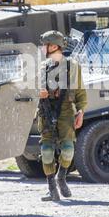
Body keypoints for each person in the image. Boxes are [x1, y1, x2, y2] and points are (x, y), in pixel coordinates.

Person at [38, 30, 87, 202]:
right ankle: (51, 186)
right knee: (46, 150)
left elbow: (80, 91)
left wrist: (81, 111)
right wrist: (39, 93)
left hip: (66, 111)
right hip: (45, 110)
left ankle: (61, 177)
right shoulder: (42, 67)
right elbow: (29, 91)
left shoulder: (72, 66)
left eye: (45, 44)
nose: (43, 48)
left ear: (54, 46)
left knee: (67, 149)